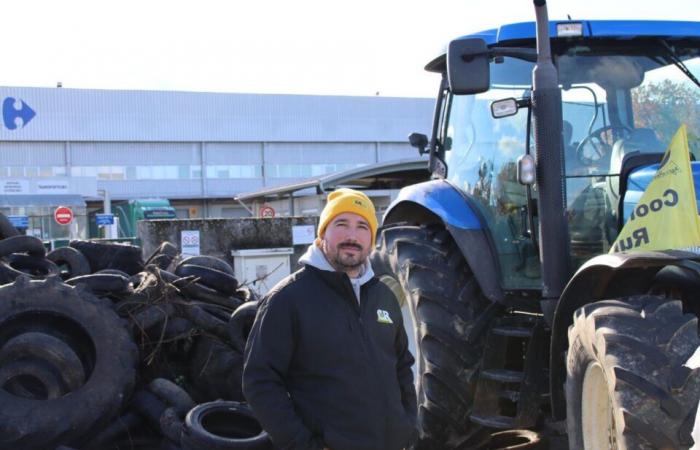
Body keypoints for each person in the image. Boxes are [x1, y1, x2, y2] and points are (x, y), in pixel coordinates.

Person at [243, 188, 417, 450]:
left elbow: (402, 366)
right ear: (322, 232)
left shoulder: (384, 297)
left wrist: (408, 426)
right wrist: (301, 444)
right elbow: (260, 382)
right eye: (341, 224)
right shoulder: (287, 299)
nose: (351, 236)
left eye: (362, 227)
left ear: (371, 239)